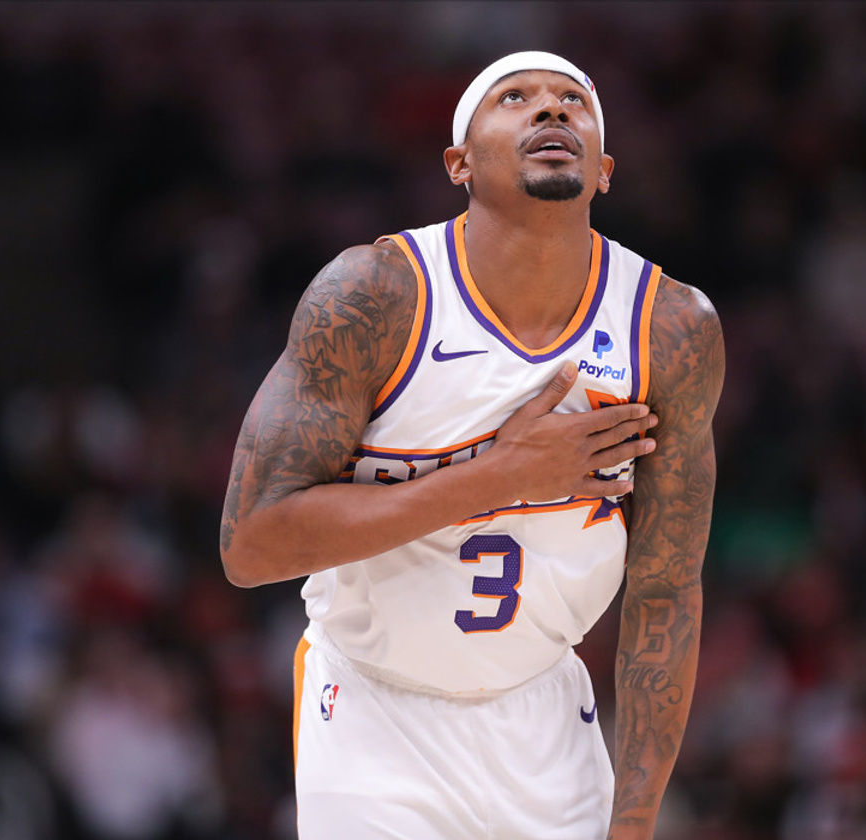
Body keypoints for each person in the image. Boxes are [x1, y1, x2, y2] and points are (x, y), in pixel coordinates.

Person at [219, 51, 723, 840]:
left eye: (572, 102)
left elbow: (667, 591)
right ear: (458, 162)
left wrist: (633, 823)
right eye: (515, 98)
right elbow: (251, 546)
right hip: (372, 715)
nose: (551, 112)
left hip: (546, 720)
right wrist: (500, 477)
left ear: (606, 170)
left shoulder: (671, 329)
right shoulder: (373, 296)